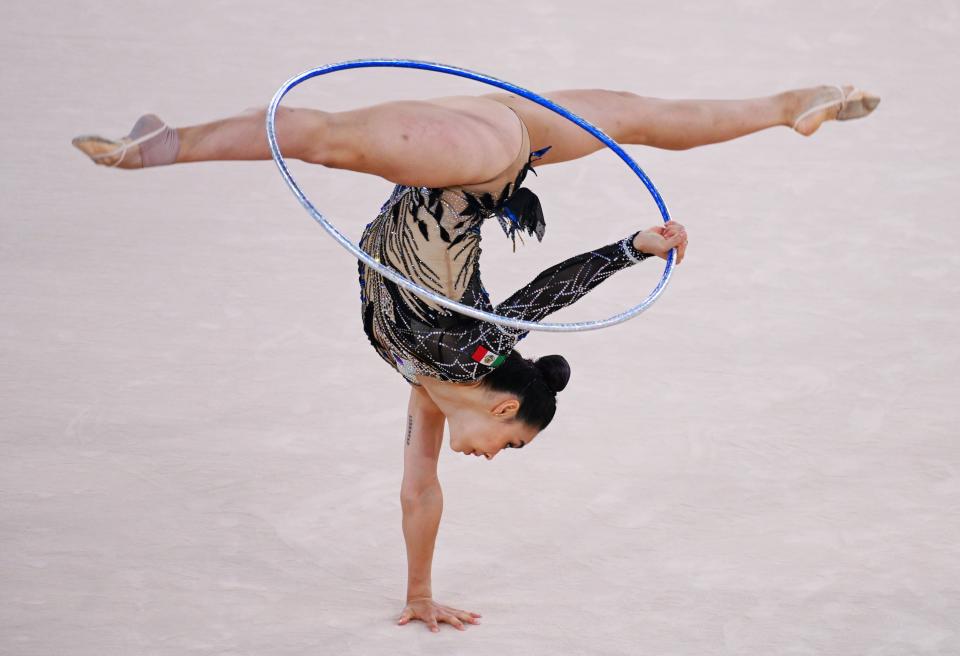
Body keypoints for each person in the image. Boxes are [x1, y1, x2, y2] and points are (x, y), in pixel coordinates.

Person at [72, 82, 879, 632]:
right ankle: (164, 145)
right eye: (513, 443)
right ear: (501, 405)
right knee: (327, 141)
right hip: (471, 164)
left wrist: (421, 594)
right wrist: (630, 249)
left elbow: (418, 490)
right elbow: (545, 299)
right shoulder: (464, 351)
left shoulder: (432, 389)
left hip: (495, 143)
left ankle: (791, 104)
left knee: (635, 117)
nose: (497, 456)